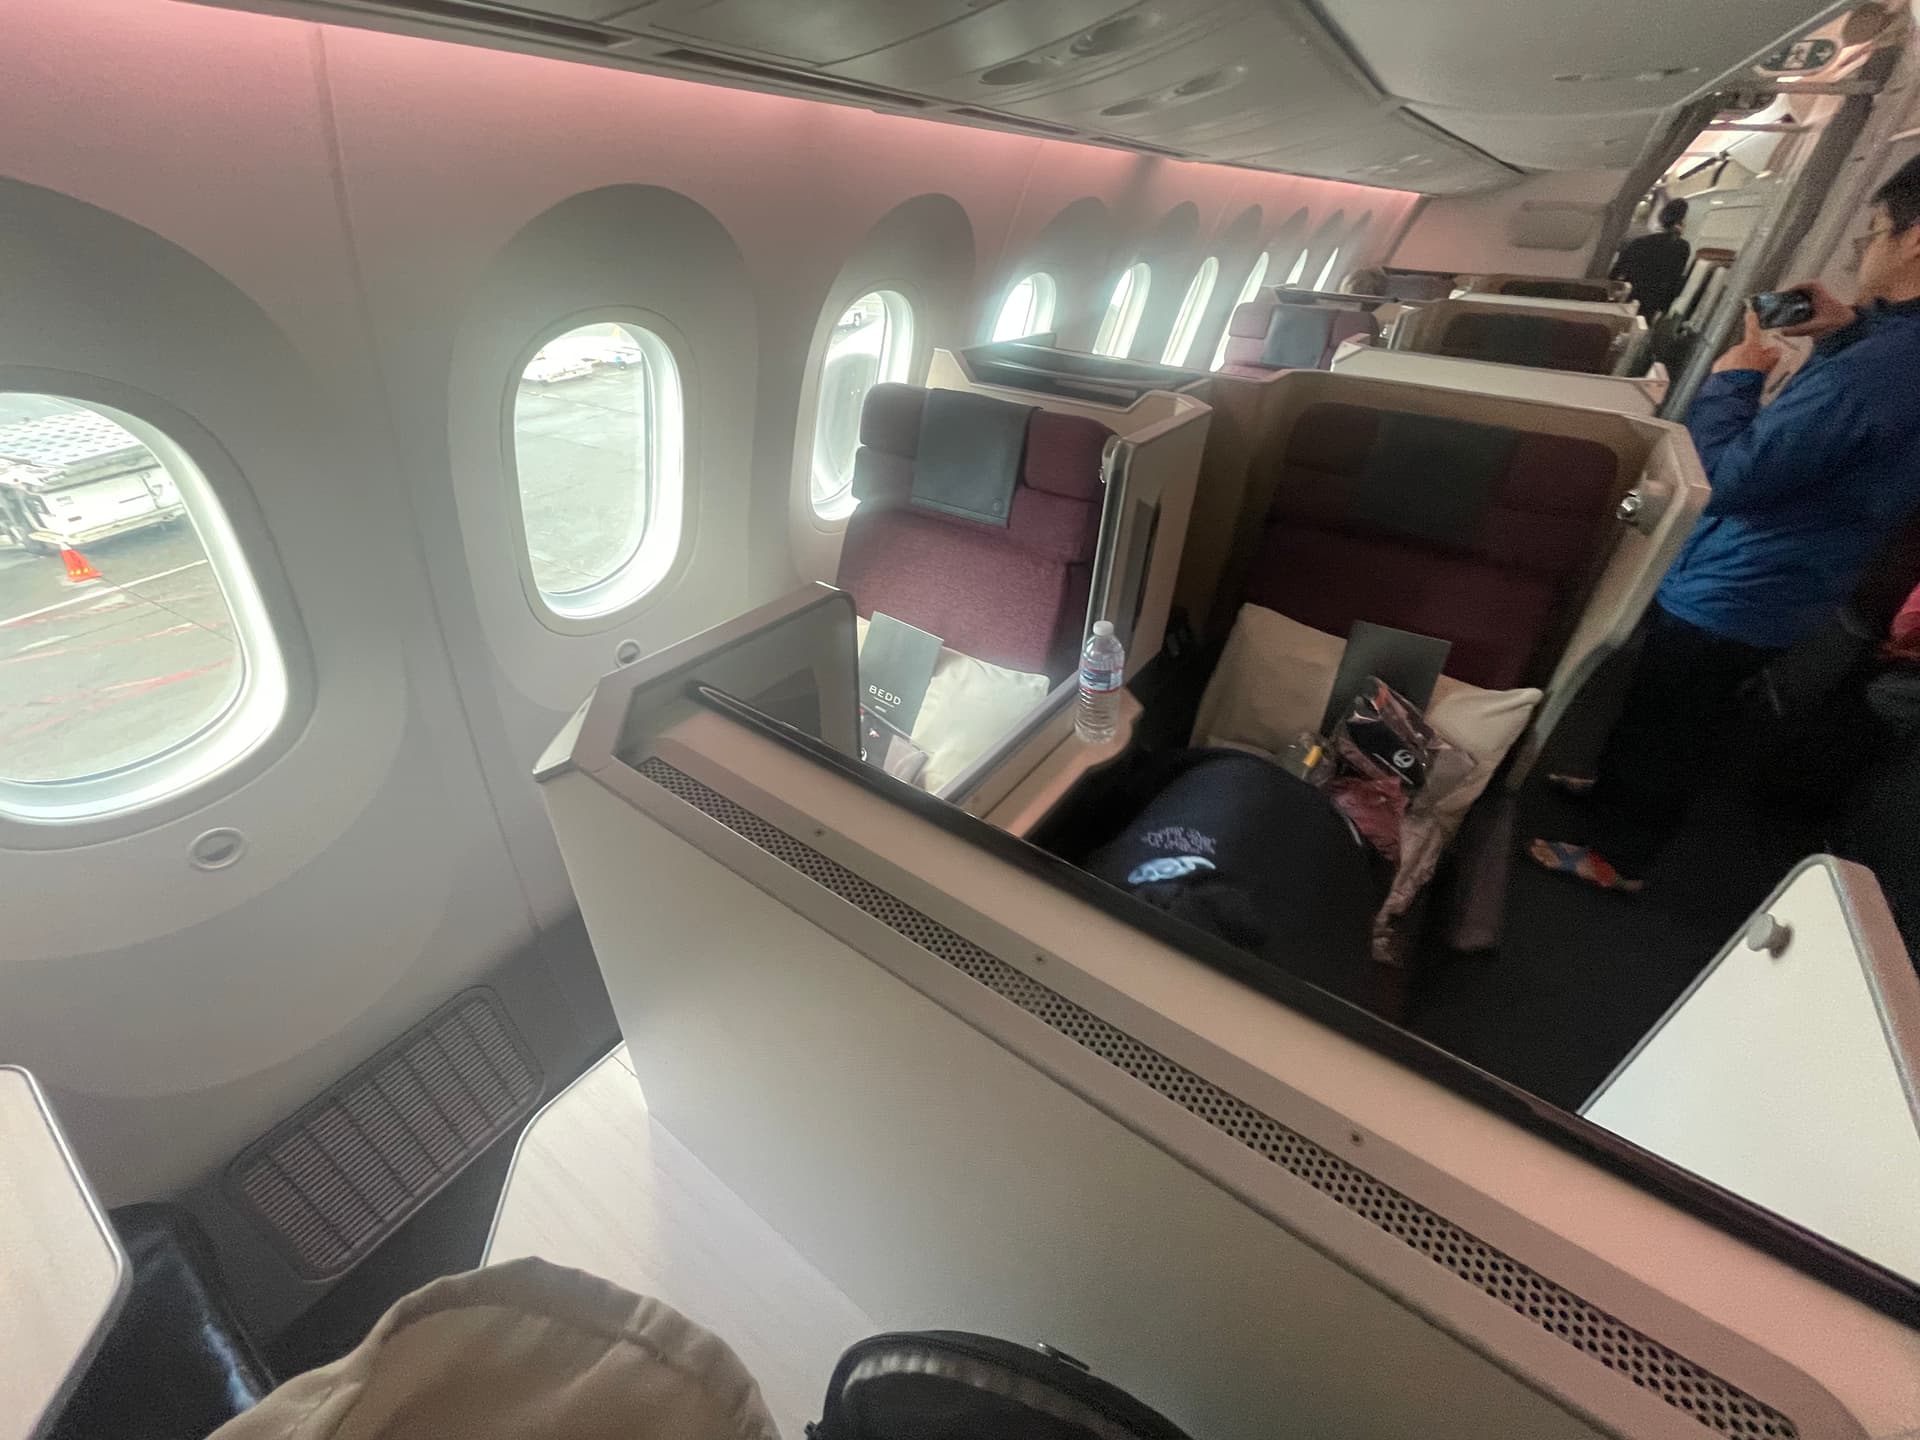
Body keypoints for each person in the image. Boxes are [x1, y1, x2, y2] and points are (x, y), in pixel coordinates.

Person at [1530, 155, 1920, 893]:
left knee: (1674, 720)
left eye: (1872, 233)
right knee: (1660, 700)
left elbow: (1726, 479)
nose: (1862, 252)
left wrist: (1733, 378)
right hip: (1788, 572)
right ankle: (1613, 791)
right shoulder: (1888, 350)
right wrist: (1844, 332)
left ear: (1915, 239)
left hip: (1748, 579)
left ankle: (1624, 855)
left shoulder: (1881, 370)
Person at [1609, 198, 1692, 317]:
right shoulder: (1683, 247)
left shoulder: (1640, 242)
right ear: (1682, 221)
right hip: (1653, 303)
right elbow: (1674, 281)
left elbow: (1617, 271)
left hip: (1630, 297)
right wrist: (1664, 308)